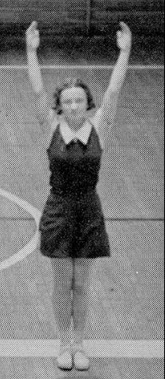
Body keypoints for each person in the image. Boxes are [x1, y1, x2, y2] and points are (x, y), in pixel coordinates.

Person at [25, 20, 131, 372]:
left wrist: (124, 52)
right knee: (61, 283)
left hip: (89, 209)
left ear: (88, 105)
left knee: (82, 283)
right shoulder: (50, 129)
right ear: (60, 107)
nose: (73, 106)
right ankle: (62, 342)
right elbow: (38, 93)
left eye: (79, 101)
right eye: (67, 101)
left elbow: (114, 94)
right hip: (58, 209)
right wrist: (31, 52)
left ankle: (79, 342)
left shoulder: (100, 128)